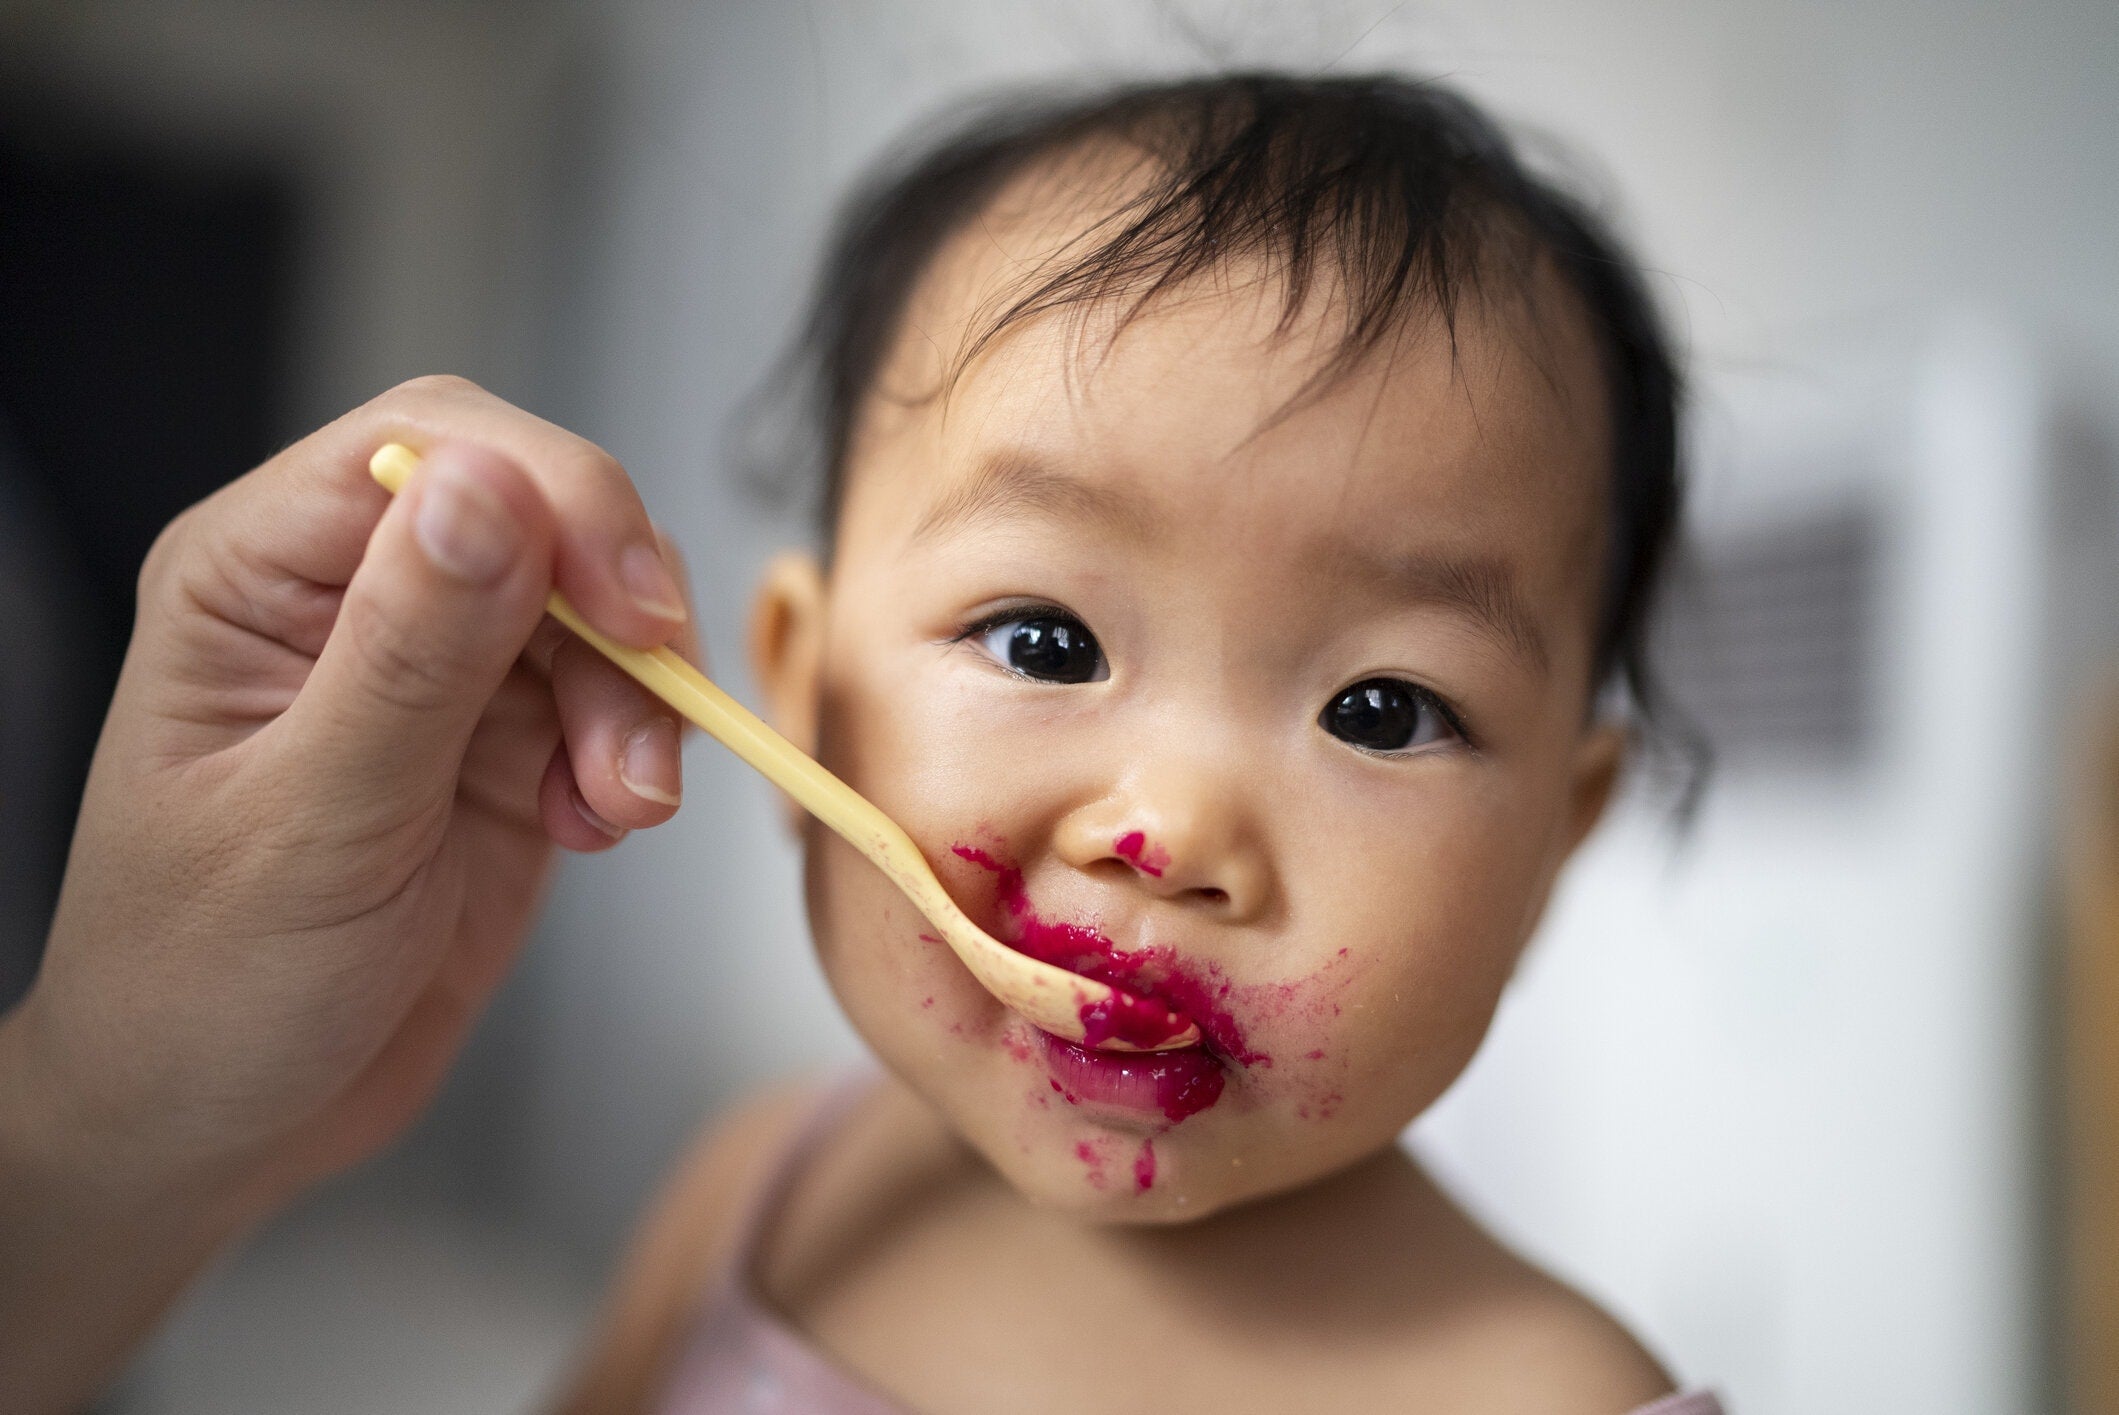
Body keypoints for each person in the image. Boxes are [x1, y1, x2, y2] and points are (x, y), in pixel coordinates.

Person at [0, 72, 1721, 1414]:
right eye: (1048, 641)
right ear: (804, 696)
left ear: (1556, 842)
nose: (1172, 824)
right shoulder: (777, 1183)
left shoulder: (1557, 1396)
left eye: (1383, 710)